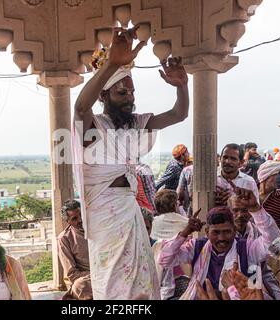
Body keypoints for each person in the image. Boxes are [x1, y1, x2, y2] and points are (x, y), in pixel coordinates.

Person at [72, 25, 189, 299]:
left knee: (141, 285)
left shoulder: (135, 124)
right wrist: (112, 64)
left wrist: (183, 85)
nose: (130, 99)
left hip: (129, 209)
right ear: (103, 96)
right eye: (121, 93)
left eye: (132, 93)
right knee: (115, 287)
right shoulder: (93, 127)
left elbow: (179, 113)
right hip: (105, 216)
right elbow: (79, 106)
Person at [159, 186, 280, 300]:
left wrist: (256, 209)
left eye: (227, 232)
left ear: (234, 231)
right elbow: (165, 260)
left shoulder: (247, 248)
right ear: (207, 232)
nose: (221, 238)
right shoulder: (197, 246)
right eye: (216, 233)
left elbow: (275, 243)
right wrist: (185, 233)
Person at [227, 195, 280, 300]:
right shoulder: (224, 236)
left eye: (244, 211)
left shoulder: (258, 230)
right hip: (231, 278)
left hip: (258, 272)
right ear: (229, 212)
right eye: (235, 210)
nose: (240, 215)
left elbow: (276, 245)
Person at [150, 189, 189, 300]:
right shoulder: (186, 223)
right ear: (174, 204)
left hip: (156, 266)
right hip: (181, 268)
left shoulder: (152, 222)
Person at [57, 200, 92, 300]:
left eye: (81, 215)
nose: (80, 220)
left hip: (108, 271)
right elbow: (72, 274)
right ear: (68, 221)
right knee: (80, 285)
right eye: (74, 218)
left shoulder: (98, 228)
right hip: (89, 278)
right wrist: (96, 274)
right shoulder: (64, 238)